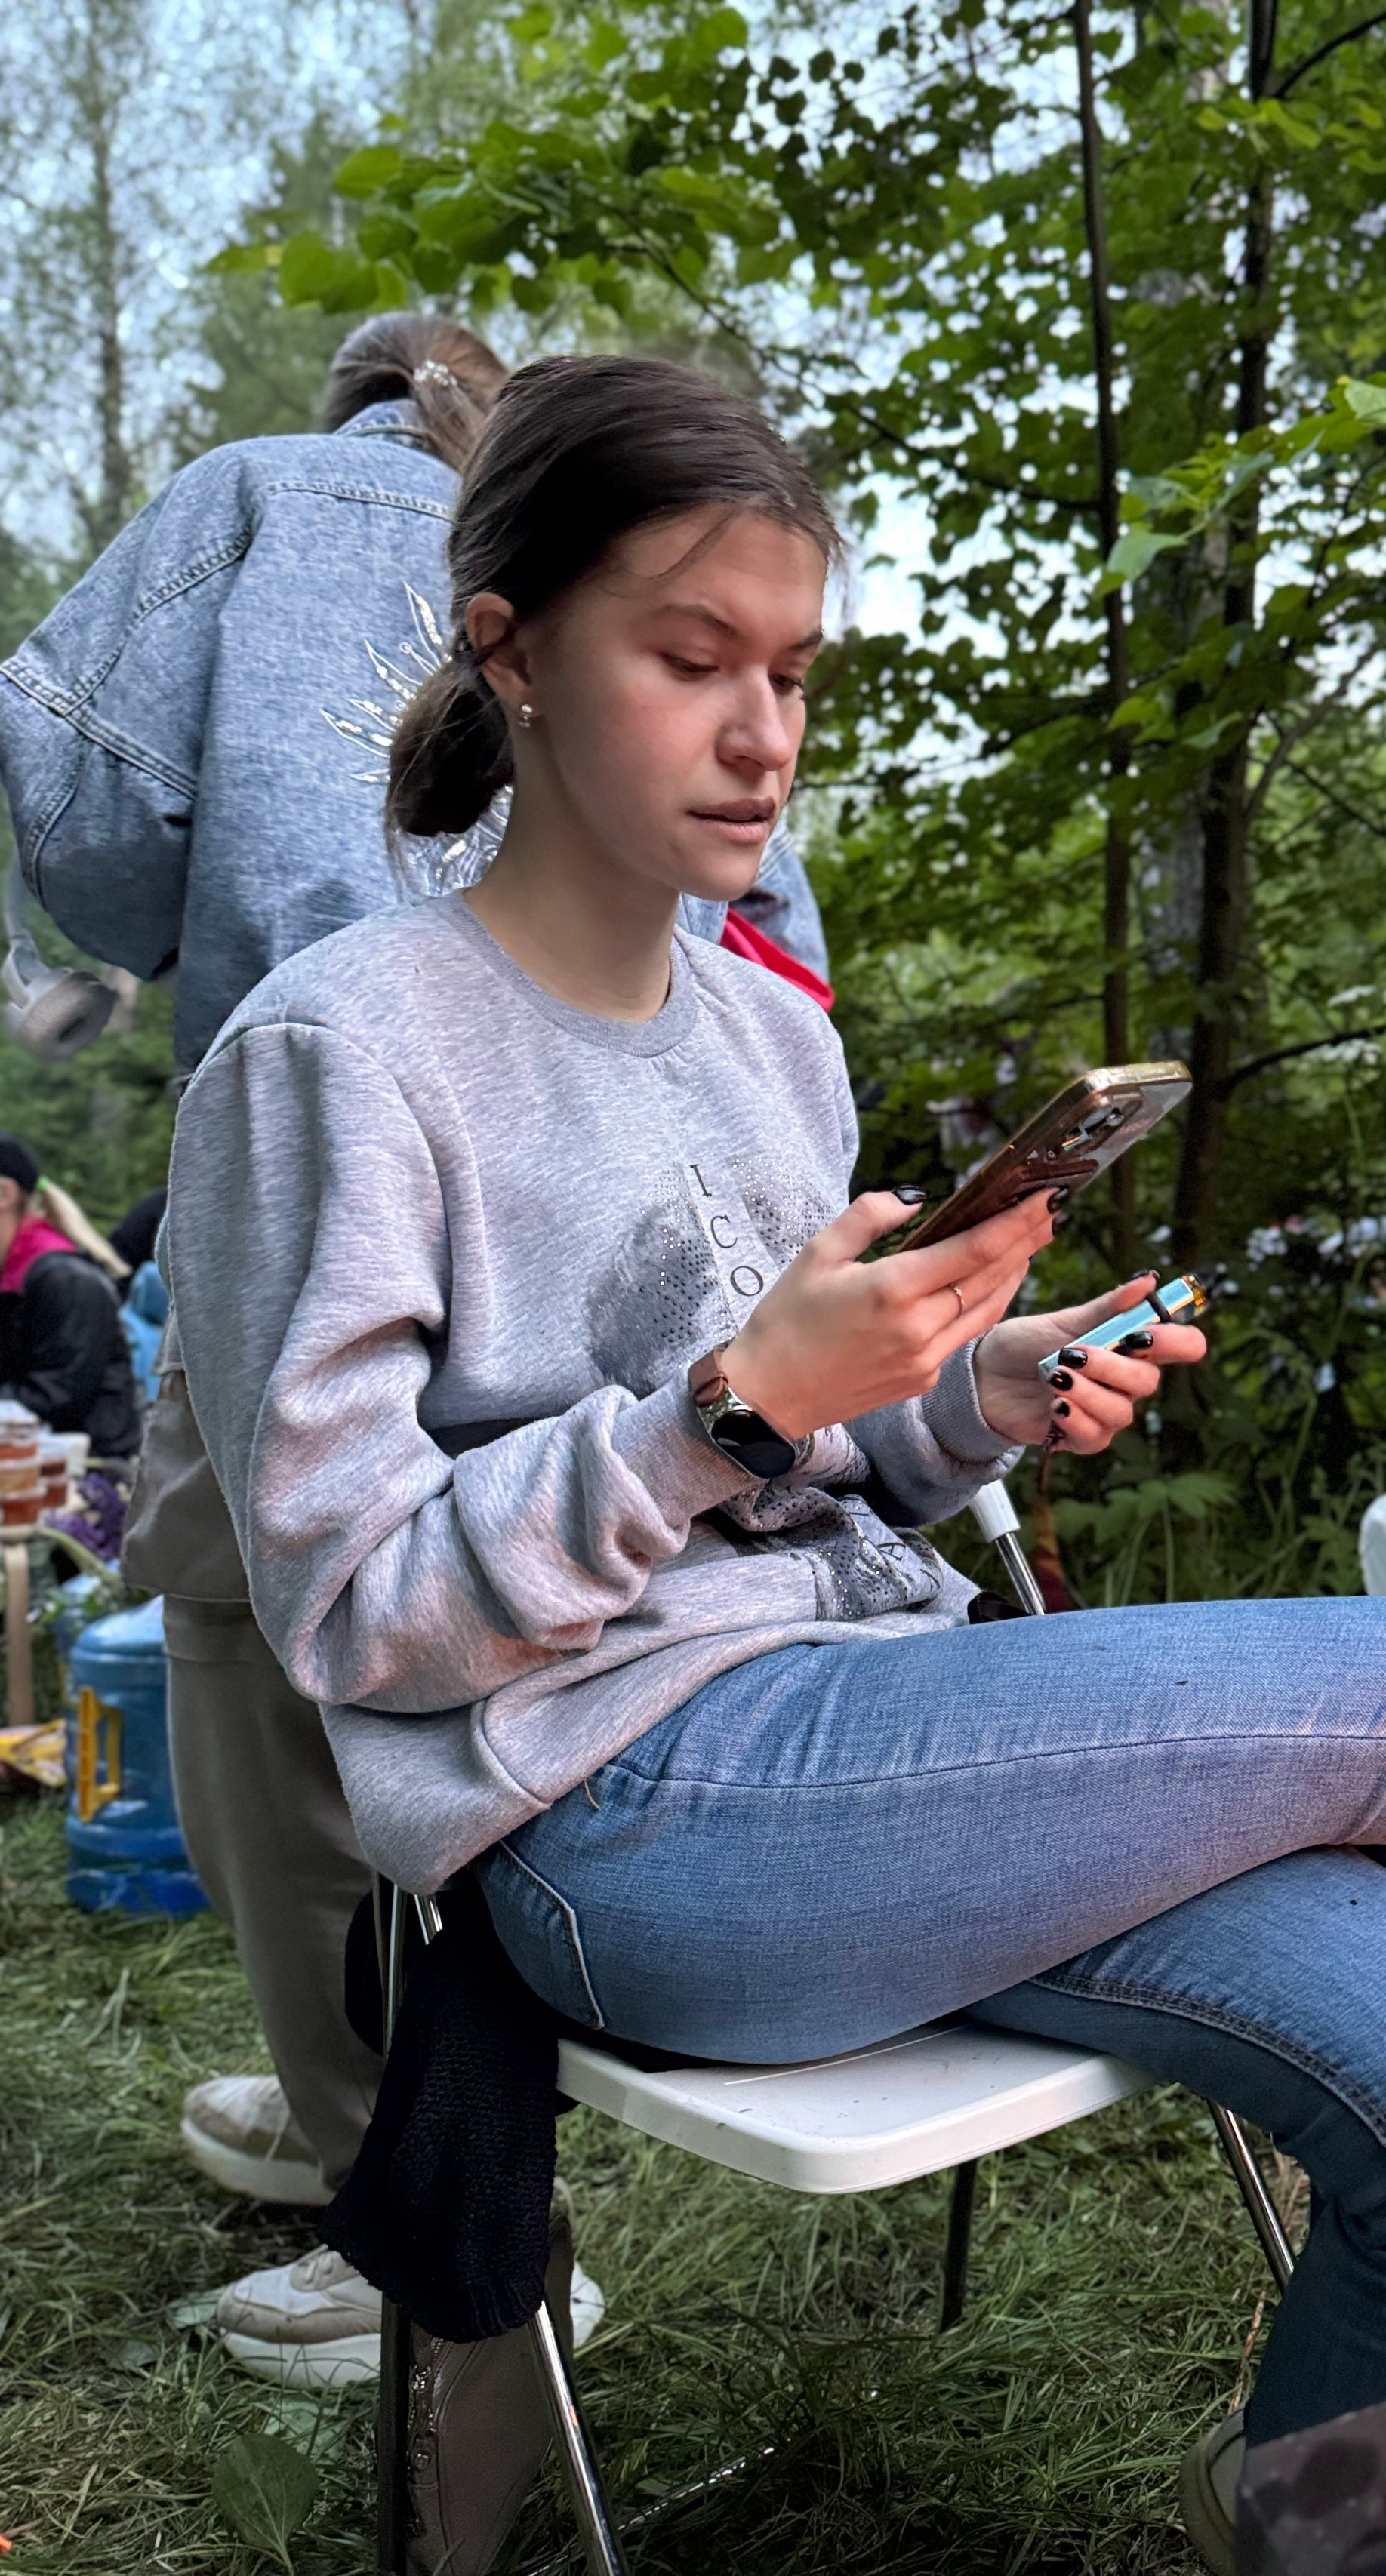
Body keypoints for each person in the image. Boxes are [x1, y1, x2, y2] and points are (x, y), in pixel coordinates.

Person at [162, 352, 1386, 2568]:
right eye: (691, 659)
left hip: (869, 1744)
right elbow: (352, 1609)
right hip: (622, 1812)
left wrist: (960, 1406)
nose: (766, 734)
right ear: (512, 651)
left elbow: (817, 1479)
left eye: (795, 669)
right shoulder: (342, 1053)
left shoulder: (771, 1035)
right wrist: (729, 1401)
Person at [0, 310, 831, 2390]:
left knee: (257, 1625)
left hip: (322, 1153)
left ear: (357, 402)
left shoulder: (252, 503)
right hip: (631, 1183)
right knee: (534, 1596)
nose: (754, 714)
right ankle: (362, 2100)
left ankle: (417, 2182)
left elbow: (80, 842)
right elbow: (771, 930)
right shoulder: (669, 553)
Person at [0, 1134, 140, 1456]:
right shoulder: (15, 1275)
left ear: (5, 1193)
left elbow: (58, 1396)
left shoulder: (65, 1279)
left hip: (92, 1472)